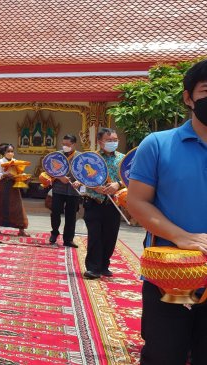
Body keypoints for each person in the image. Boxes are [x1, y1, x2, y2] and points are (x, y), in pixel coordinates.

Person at [128, 59, 207, 365]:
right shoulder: (158, 145)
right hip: (174, 276)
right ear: (189, 98)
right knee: (166, 353)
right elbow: (137, 202)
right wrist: (182, 237)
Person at [79, 128, 124, 280]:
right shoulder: (91, 158)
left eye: (115, 140)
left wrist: (117, 184)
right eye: (109, 140)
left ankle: (104, 265)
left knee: (110, 235)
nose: (113, 143)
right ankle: (93, 268)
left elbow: (129, 178)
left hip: (114, 203)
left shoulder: (123, 159)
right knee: (95, 235)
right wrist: (93, 186)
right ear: (100, 142)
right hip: (94, 201)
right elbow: (83, 177)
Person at [49, 134, 81, 248]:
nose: (65, 146)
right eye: (63, 144)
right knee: (55, 212)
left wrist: (79, 181)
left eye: (67, 144)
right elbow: (49, 169)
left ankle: (68, 239)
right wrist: (59, 177)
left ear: (74, 144)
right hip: (58, 189)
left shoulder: (80, 156)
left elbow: (84, 173)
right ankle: (54, 232)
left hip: (73, 190)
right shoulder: (57, 155)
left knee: (71, 215)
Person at [0, 143, 28, 236]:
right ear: (4, 152)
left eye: (12, 151)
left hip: (14, 185)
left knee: (17, 206)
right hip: (4, 185)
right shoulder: (0, 162)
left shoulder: (16, 161)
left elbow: (19, 171)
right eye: (8, 151)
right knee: (0, 205)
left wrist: (22, 176)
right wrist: (4, 175)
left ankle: (21, 230)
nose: (10, 153)